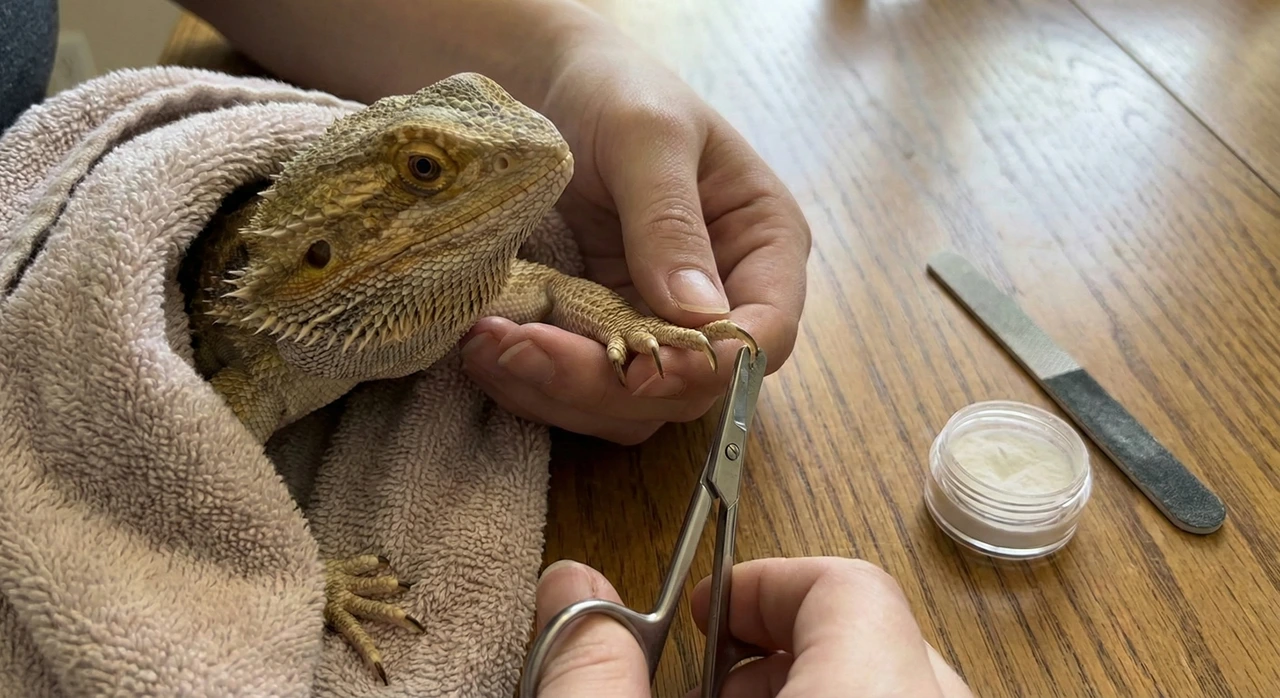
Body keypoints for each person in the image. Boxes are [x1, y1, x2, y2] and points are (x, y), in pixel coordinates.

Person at [3, 0, 970, 692]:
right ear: (331, 244)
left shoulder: (432, 284)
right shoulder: (266, 358)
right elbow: (192, 459)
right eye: (427, 172)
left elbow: (548, 282)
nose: (535, 151)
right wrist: (320, 576)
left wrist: (625, 319)